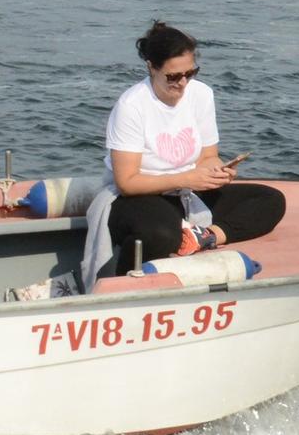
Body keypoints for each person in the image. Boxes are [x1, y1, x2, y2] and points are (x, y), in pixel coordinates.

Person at [102, 22, 285, 275]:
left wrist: (217, 171)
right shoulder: (132, 106)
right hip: (137, 197)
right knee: (161, 233)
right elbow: (127, 182)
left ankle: (205, 237)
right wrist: (187, 178)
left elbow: (208, 156)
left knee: (270, 201)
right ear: (151, 68)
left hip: (188, 191)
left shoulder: (201, 95)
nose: (183, 83)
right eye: (173, 76)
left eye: (190, 73)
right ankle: (123, 284)